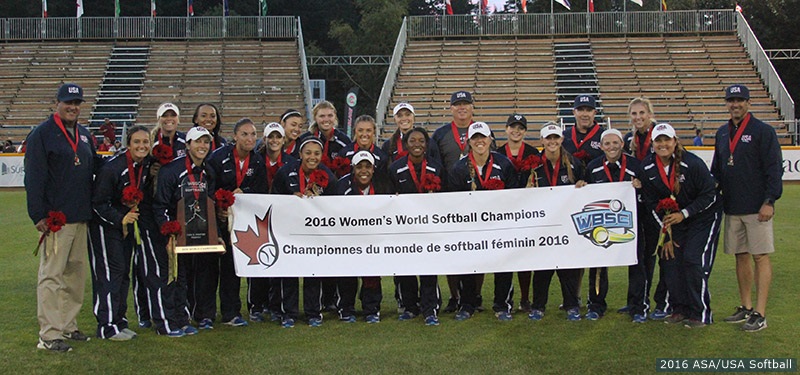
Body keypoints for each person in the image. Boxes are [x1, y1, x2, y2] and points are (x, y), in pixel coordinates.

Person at [25, 83, 100, 352]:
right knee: (52, 277)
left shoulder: (84, 134)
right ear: (57, 103)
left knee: (75, 276)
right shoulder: (42, 134)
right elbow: (34, 178)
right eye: (68, 102)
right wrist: (38, 215)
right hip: (56, 220)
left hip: (80, 216)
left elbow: (95, 168)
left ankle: (69, 325)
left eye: (77, 103)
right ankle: (49, 334)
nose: (73, 107)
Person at [89, 126, 179, 340]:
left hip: (127, 226)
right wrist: (119, 218)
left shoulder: (145, 164)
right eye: (137, 142)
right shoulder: (113, 168)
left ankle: (119, 322)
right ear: (128, 144)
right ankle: (106, 327)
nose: (142, 146)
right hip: (104, 227)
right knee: (109, 274)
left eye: (145, 142)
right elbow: (98, 203)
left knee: (122, 274)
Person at [711, 84, 783, 332]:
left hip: (757, 208)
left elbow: (774, 168)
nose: (735, 104)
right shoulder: (722, 133)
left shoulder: (763, 131)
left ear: (748, 103)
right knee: (740, 256)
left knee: (760, 256)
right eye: (731, 100)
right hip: (732, 207)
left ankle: (760, 314)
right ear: (726, 104)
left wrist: (769, 201)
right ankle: (746, 306)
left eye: (740, 100)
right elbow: (717, 170)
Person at [640, 123, 721, 328]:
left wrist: (684, 214)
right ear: (652, 144)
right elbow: (650, 204)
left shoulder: (692, 163)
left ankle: (701, 313)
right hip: (673, 222)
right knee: (670, 261)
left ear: (675, 141)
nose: (663, 144)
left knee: (693, 260)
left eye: (667, 140)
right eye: (658, 141)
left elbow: (709, 195)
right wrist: (666, 235)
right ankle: (679, 309)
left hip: (702, 218)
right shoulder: (647, 167)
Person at [431, 90, 494, 313]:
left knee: (478, 249)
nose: (461, 108)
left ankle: (475, 295)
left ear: (472, 107)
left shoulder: (483, 131)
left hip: (480, 203)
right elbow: (435, 166)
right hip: (451, 200)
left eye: (465, 103)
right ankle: (454, 296)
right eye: (457, 104)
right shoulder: (440, 134)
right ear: (451, 108)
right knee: (453, 251)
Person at [153, 126, 219, 336]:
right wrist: (168, 231)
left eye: (206, 142)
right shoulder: (172, 170)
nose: (202, 146)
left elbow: (209, 205)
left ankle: (182, 319)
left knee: (186, 278)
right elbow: (160, 205)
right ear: (188, 145)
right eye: (198, 141)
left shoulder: (208, 171)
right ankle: (166, 322)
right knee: (172, 277)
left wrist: (214, 233)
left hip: (196, 234)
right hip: (173, 235)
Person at [448, 122, 517, 321]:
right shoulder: (459, 168)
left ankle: (502, 305)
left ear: (490, 139)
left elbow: (515, 196)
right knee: (469, 265)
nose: (479, 141)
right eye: (475, 138)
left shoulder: (503, 164)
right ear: (469, 142)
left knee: (503, 265)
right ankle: (467, 305)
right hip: (470, 227)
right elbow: (453, 201)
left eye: (483, 137)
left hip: (499, 226)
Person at [205, 118, 268, 329]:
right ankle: (205, 314)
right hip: (217, 219)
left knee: (232, 268)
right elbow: (208, 187)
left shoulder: (257, 161)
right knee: (209, 269)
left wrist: (245, 193)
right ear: (235, 136)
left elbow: (261, 191)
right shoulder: (218, 157)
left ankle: (231, 313)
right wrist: (219, 206)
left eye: (253, 134)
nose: (250, 138)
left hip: (240, 223)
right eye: (244, 134)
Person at [576, 128, 643, 321]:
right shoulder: (594, 167)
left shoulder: (635, 165)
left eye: (615, 143)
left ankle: (637, 306)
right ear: (601, 146)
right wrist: (582, 186)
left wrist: (640, 186)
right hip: (602, 225)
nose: (611, 147)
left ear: (622, 144)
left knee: (636, 264)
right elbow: (586, 195)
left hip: (630, 223)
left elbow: (646, 191)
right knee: (598, 264)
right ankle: (596, 305)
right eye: (607, 143)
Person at [272, 137, 338, 327]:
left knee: (313, 272)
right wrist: (289, 199)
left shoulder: (327, 176)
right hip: (289, 231)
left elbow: (335, 205)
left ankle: (313, 312)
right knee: (289, 272)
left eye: (316, 153)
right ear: (300, 154)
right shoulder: (286, 172)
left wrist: (318, 202)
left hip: (314, 232)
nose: (312, 157)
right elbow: (273, 198)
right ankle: (289, 313)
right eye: (308, 153)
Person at [388, 127, 446, 326]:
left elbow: (445, 198)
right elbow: (389, 198)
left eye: (421, 140)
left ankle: (430, 309)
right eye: (412, 141)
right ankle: (410, 307)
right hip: (404, 229)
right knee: (406, 269)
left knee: (429, 269)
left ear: (427, 144)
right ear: (406, 144)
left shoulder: (436, 168)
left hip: (429, 229)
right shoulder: (395, 168)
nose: (417, 144)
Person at [527, 122, 584, 322]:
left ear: (562, 139)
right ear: (542, 141)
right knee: (542, 269)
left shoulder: (574, 164)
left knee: (568, 269)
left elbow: (586, 190)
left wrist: (583, 185)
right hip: (542, 227)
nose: (552, 141)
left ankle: (571, 305)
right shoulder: (533, 166)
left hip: (567, 226)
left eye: (555, 138)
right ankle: (538, 306)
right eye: (548, 138)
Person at [621, 97, 669, 321]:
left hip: (659, 204)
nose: (638, 117)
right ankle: (635, 301)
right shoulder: (629, 139)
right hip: (637, 204)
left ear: (650, 114)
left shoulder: (660, 136)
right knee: (637, 255)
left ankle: (662, 302)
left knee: (661, 255)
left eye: (642, 113)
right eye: (634, 113)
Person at [335, 151, 390, 323]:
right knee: (347, 275)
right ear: (353, 168)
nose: (363, 171)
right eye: (359, 167)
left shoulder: (382, 184)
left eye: (367, 166)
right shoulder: (342, 185)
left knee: (372, 274)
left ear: (373, 169)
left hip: (373, 239)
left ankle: (371, 309)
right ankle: (346, 309)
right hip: (348, 239)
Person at [502, 114, 541, 312]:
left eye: (520, 128)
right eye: (513, 127)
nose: (516, 131)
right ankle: (505, 299)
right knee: (506, 256)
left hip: (527, 211)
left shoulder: (533, 153)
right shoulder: (499, 152)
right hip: (504, 212)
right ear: (506, 129)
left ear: (525, 131)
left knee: (526, 257)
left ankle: (525, 299)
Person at [563, 94, 603, 165]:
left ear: (595, 113)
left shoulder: (604, 136)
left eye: (589, 110)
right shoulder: (564, 136)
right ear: (574, 112)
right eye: (580, 110)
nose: (585, 114)